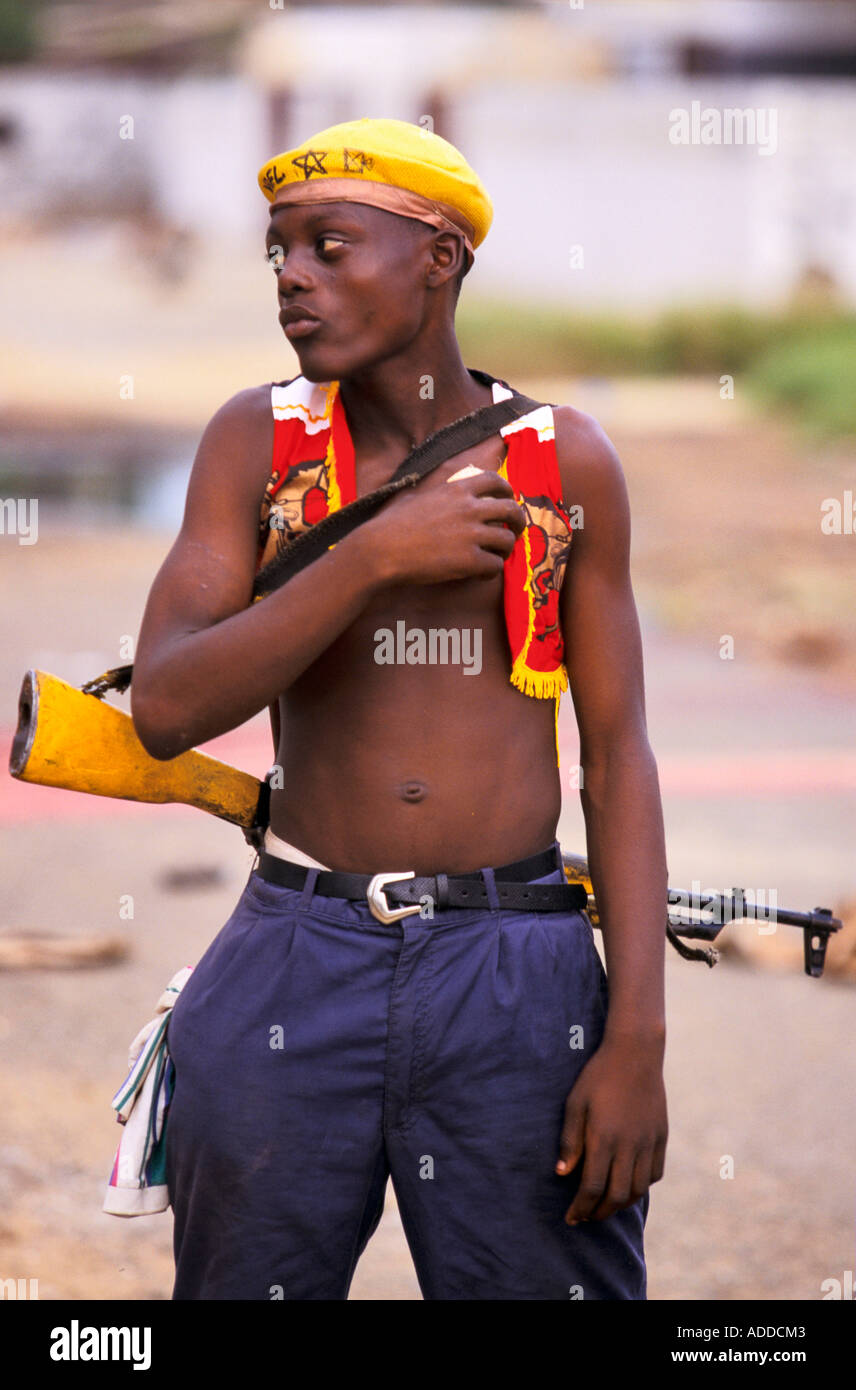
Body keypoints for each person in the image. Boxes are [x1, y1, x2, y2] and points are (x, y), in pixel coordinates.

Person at [130, 116, 669, 1301]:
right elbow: (163, 707)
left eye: (330, 246)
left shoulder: (560, 463)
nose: (292, 280)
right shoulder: (256, 444)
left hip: (514, 962)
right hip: (293, 949)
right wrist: (372, 557)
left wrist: (635, 1039)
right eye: (278, 252)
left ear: (439, 258)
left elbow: (618, 756)